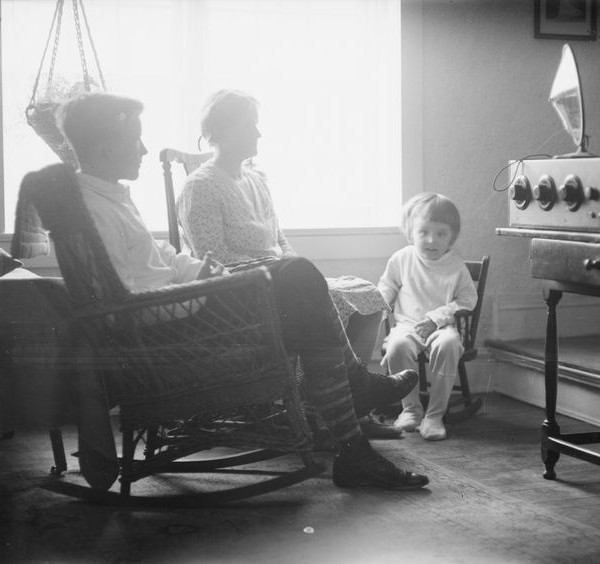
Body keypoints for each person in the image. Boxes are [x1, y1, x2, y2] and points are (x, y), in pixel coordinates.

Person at [54, 92, 428, 490]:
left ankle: (353, 436)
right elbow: (127, 304)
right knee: (297, 277)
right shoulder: (91, 213)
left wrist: (198, 270)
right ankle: (356, 408)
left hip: (186, 303)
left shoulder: (110, 195)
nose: (145, 149)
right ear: (110, 147)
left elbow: (160, 257)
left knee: (299, 281)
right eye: (136, 139)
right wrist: (203, 288)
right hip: (169, 329)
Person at [177, 89, 402, 438]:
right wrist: (280, 272)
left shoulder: (257, 180)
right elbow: (212, 258)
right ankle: (334, 410)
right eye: (250, 125)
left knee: (367, 292)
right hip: (240, 290)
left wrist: (296, 267)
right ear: (222, 130)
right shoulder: (200, 185)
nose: (258, 133)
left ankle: (353, 403)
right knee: (330, 298)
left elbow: (279, 238)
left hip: (285, 277)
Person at [378, 193, 478, 441]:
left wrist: (437, 318)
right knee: (397, 346)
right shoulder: (402, 259)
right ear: (411, 232)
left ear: (451, 237)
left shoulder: (455, 266)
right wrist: (378, 304)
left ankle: (434, 415)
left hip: (441, 327)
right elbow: (386, 287)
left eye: (441, 234)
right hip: (407, 325)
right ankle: (410, 409)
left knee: (448, 344)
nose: (431, 240)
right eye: (423, 232)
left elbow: (468, 300)